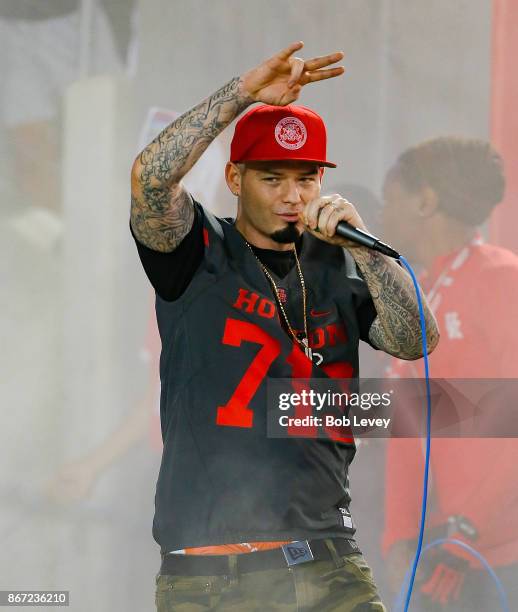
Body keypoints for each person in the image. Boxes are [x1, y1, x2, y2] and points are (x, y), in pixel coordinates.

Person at [130, 41, 439, 611]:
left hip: (329, 560)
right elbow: (151, 181)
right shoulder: (199, 249)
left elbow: (416, 340)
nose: (293, 197)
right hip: (211, 573)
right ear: (234, 177)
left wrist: (367, 251)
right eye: (272, 179)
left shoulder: (341, 262)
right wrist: (244, 92)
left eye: (306, 178)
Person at [380, 136, 518, 611]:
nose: (383, 216)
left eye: (390, 198)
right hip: (435, 556)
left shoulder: (502, 279)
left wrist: (470, 524)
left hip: (500, 558)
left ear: (425, 202)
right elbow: (405, 423)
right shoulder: (416, 291)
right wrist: (398, 536)